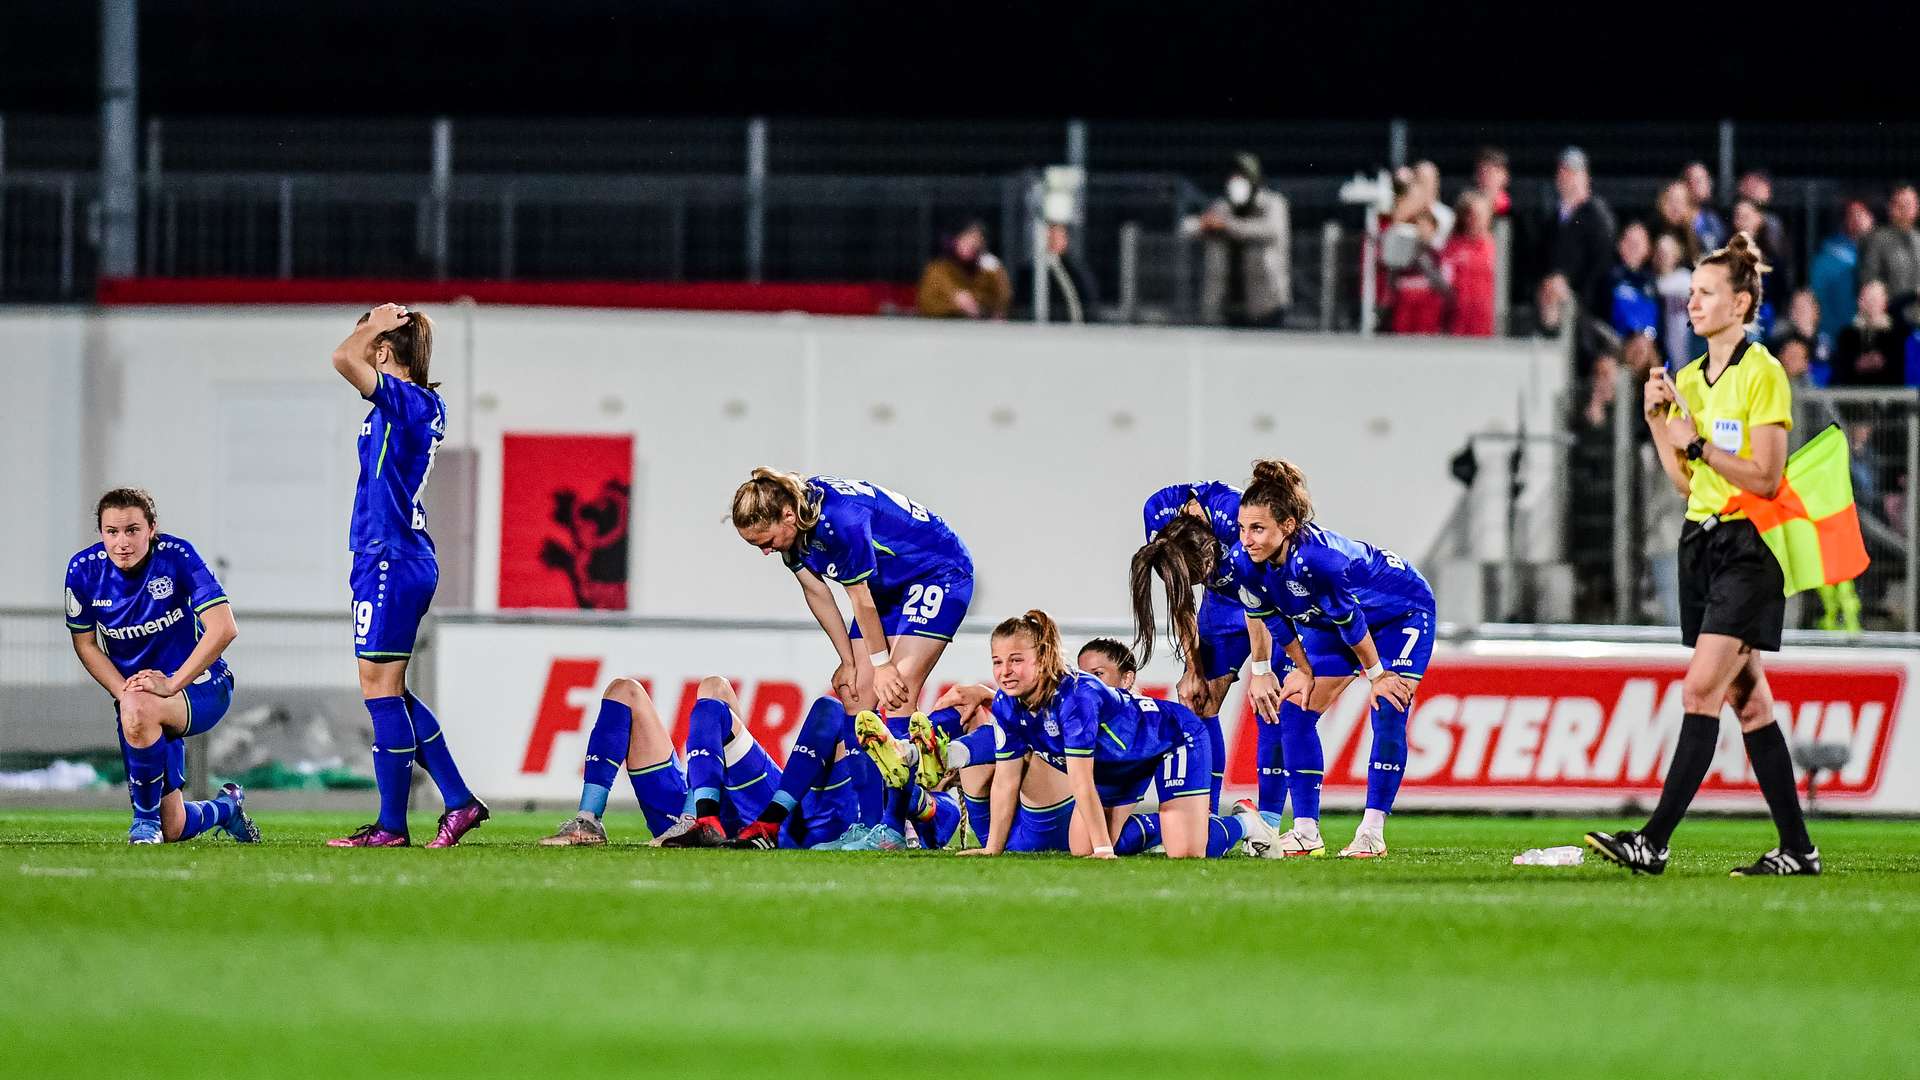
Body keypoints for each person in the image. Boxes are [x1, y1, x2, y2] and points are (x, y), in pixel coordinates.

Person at [1588, 232, 1821, 877]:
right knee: (1749, 702)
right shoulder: (1688, 378)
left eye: (1706, 293)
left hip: (1753, 544)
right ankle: (1799, 851)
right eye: (1690, 292)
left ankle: (1652, 841)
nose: (1692, 303)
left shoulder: (1764, 373)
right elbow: (1689, 483)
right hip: (1703, 540)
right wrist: (1660, 426)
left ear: (1741, 304)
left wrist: (1696, 445)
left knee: (1699, 692)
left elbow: (1768, 478)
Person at [725, 469, 974, 848]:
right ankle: (870, 822)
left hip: (937, 573)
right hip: (887, 587)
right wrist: (849, 660)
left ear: (787, 517)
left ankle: (895, 830)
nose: (765, 550)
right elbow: (817, 592)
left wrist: (882, 665)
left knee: (897, 690)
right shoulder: (796, 522)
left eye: (767, 540)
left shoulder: (840, 520)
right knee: (856, 694)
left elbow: (859, 600)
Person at [327, 304, 485, 848]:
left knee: (378, 690)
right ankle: (459, 801)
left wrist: (369, 327)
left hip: (391, 556)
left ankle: (392, 826)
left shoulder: (408, 400)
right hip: (390, 555)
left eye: (371, 339)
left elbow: (342, 358)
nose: (361, 342)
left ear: (385, 351)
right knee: (388, 689)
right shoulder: (411, 404)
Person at [943, 611, 1275, 859]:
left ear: (1041, 659)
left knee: (1185, 853)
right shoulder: (1007, 703)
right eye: (997, 661)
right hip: (1114, 765)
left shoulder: (1075, 698)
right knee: (1078, 848)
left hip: (1172, 740)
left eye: (1016, 660)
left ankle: (1245, 824)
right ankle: (1164, 829)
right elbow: (1005, 780)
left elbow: (1080, 782)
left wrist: (1103, 850)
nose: (1004, 671)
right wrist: (992, 849)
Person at [1231, 459, 1435, 859]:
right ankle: (1306, 832)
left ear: (1287, 526)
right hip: (1332, 623)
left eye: (1257, 528)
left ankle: (1372, 832)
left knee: (1388, 705)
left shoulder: (1320, 562)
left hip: (1399, 613)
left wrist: (1377, 675)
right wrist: (1303, 670)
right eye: (1242, 528)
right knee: (1294, 708)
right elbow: (1273, 620)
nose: (1247, 539)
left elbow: (1354, 623)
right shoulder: (1246, 564)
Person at [65, 488, 258, 845]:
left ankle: (143, 824)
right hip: (140, 699)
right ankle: (227, 807)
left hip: (202, 685)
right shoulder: (83, 571)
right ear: (101, 533)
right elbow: (86, 644)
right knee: (175, 827)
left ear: (152, 528)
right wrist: (123, 691)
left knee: (137, 707)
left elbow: (224, 627)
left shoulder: (177, 556)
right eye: (112, 532)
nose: (122, 542)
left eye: (132, 530)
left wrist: (170, 684)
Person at [1131, 480, 1312, 814]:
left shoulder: (1234, 514)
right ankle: (1206, 818)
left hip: (1274, 601)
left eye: (1203, 574)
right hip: (1222, 605)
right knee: (1199, 702)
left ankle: (1270, 823)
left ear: (1212, 551)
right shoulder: (1156, 513)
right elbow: (1181, 599)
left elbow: (1258, 599)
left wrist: (1261, 670)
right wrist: (1194, 670)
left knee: (1271, 704)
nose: (1199, 581)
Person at [541, 678, 860, 849]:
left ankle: (698, 818)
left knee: (714, 690)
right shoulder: (866, 728)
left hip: (747, 816)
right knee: (623, 690)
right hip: (687, 811)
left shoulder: (865, 729)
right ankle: (588, 820)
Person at [1184, 152, 1291, 328]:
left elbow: (1271, 230)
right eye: (1233, 176)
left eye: (1241, 175)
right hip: (1228, 304)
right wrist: (1203, 224)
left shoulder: (1273, 204)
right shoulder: (1222, 206)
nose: (1236, 180)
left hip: (1266, 303)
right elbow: (1189, 227)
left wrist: (1227, 226)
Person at [1544, 147, 1618, 371]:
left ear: (1585, 176)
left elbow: (1600, 265)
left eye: (1574, 173)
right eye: (1564, 172)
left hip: (1586, 307)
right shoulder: (1552, 218)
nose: (1568, 178)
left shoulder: (1596, 216)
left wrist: (1571, 290)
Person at [916, 220, 1012, 319]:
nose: (971, 244)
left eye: (976, 240)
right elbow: (926, 303)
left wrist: (976, 303)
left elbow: (1001, 301)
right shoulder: (937, 270)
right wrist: (956, 303)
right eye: (966, 238)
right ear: (955, 240)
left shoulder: (989, 269)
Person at [1811, 198, 1872, 339]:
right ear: (1845, 220)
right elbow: (1818, 294)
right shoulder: (1829, 254)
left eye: (1862, 214)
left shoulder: (1881, 251)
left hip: (1867, 333)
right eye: (1853, 214)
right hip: (1835, 330)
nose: (1858, 220)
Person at [1440, 191, 1497, 336]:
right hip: (1457, 322)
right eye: (1472, 214)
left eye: (1481, 215)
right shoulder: (1453, 247)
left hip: (1488, 323)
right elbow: (1444, 282)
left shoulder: (1495, 247)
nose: (1476, 220)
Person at [1831, 279, 1907, 387]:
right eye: (1868, 298)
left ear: (1885, 302)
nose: (1872, 303)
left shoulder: (1898, 333)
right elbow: (1841, 368)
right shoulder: (1847, 334)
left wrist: (1883, 362)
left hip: (1888, 395)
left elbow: (1900, 368)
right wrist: (1857, 364)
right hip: (1853, 395)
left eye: (1876, 299)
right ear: (1860, 302)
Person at [1023, 222, 1100, 324]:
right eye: (1050, 235)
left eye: (1058, 236)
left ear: (1065, 239)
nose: (1052, 240)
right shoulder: (1028, 273)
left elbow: (1089, 302)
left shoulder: (1076, 271)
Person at [1608, 220, 1660, 341]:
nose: (1633, 248)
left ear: (1648, 249)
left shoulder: (1653, 283)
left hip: (1648, 349)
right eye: (1629, 242)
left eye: (1638, 243)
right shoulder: (1608, 279)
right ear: (1619, 245)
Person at [1652, 179, 1703, 267]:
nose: (1675, 207)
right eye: (1671, 200)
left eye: (1680, 202)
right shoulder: (1651, 230)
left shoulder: (1700, 233)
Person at [1683, 162, 1728, 253]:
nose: (1703, 184)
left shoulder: (1722, 213)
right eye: (1695, 180)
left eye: (1705, 179)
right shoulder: (1681, 218)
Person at [1471, 147, 1510, 218]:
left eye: (1492, 173)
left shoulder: (1516, 210)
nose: (1486, 178)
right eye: (1482, 173)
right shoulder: (1467, 211)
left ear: (1505, 176)